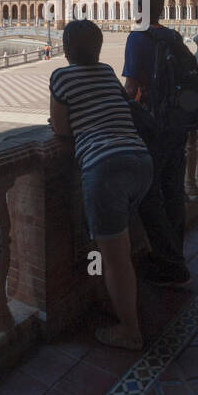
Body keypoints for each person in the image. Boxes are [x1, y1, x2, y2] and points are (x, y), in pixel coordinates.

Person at [50, 20, 153, 349]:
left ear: (66, 49)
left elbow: (61, 129)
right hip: (140, 161)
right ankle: (123, 301)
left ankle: (130, 330)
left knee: (115, 258)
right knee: (124, 244)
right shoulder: (108, 71)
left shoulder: (61, 77)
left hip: (104, 168)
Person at [123, 0, 192, 288]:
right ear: (162, 10)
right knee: (174, 191)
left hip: (152, 127)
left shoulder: (138, 38)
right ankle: (176, 251)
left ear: (138, 9)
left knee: (148, 196)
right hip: (178, 125)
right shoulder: (173, 37)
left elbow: (130, 87)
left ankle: (168, 261)